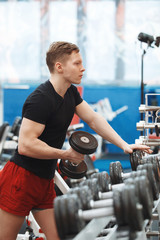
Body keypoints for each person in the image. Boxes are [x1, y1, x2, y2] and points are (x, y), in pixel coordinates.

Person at [0, 41, 152, 240]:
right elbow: (26, 145)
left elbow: (94, 119)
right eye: (77, 63)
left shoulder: (70, 92)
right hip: (21, 180)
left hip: (45, 180)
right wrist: (66, 154)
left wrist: (124, 145)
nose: (83, 68)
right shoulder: (40, 99)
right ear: (59, 67)